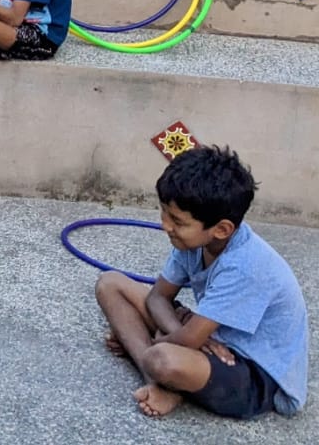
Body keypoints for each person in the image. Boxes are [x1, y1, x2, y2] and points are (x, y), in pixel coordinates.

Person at [95, 145, 308, 420]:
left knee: (162, 358)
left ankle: (162, 374)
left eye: (177, 221)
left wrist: (168, 339)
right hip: (206, 336)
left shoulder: (246, 264)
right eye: (163, 213)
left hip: (253, 372)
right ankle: (158, 382)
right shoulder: (192, 242)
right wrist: (178, 332)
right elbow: (158, 297)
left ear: (221, 229)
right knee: (110, 283)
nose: (165, 226)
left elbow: (188, 336)